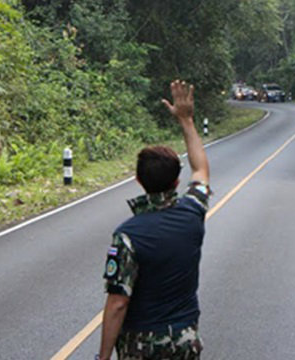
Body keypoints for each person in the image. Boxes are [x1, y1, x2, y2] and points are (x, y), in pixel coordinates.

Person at [97, 80, 211, 360]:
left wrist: (102, 357)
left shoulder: (127, 235)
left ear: (138, 181)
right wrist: (186, 120)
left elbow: (118, 303)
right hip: (185, 339)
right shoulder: (193, 210)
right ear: (176, 181)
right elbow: (201, 169)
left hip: (142, 346)